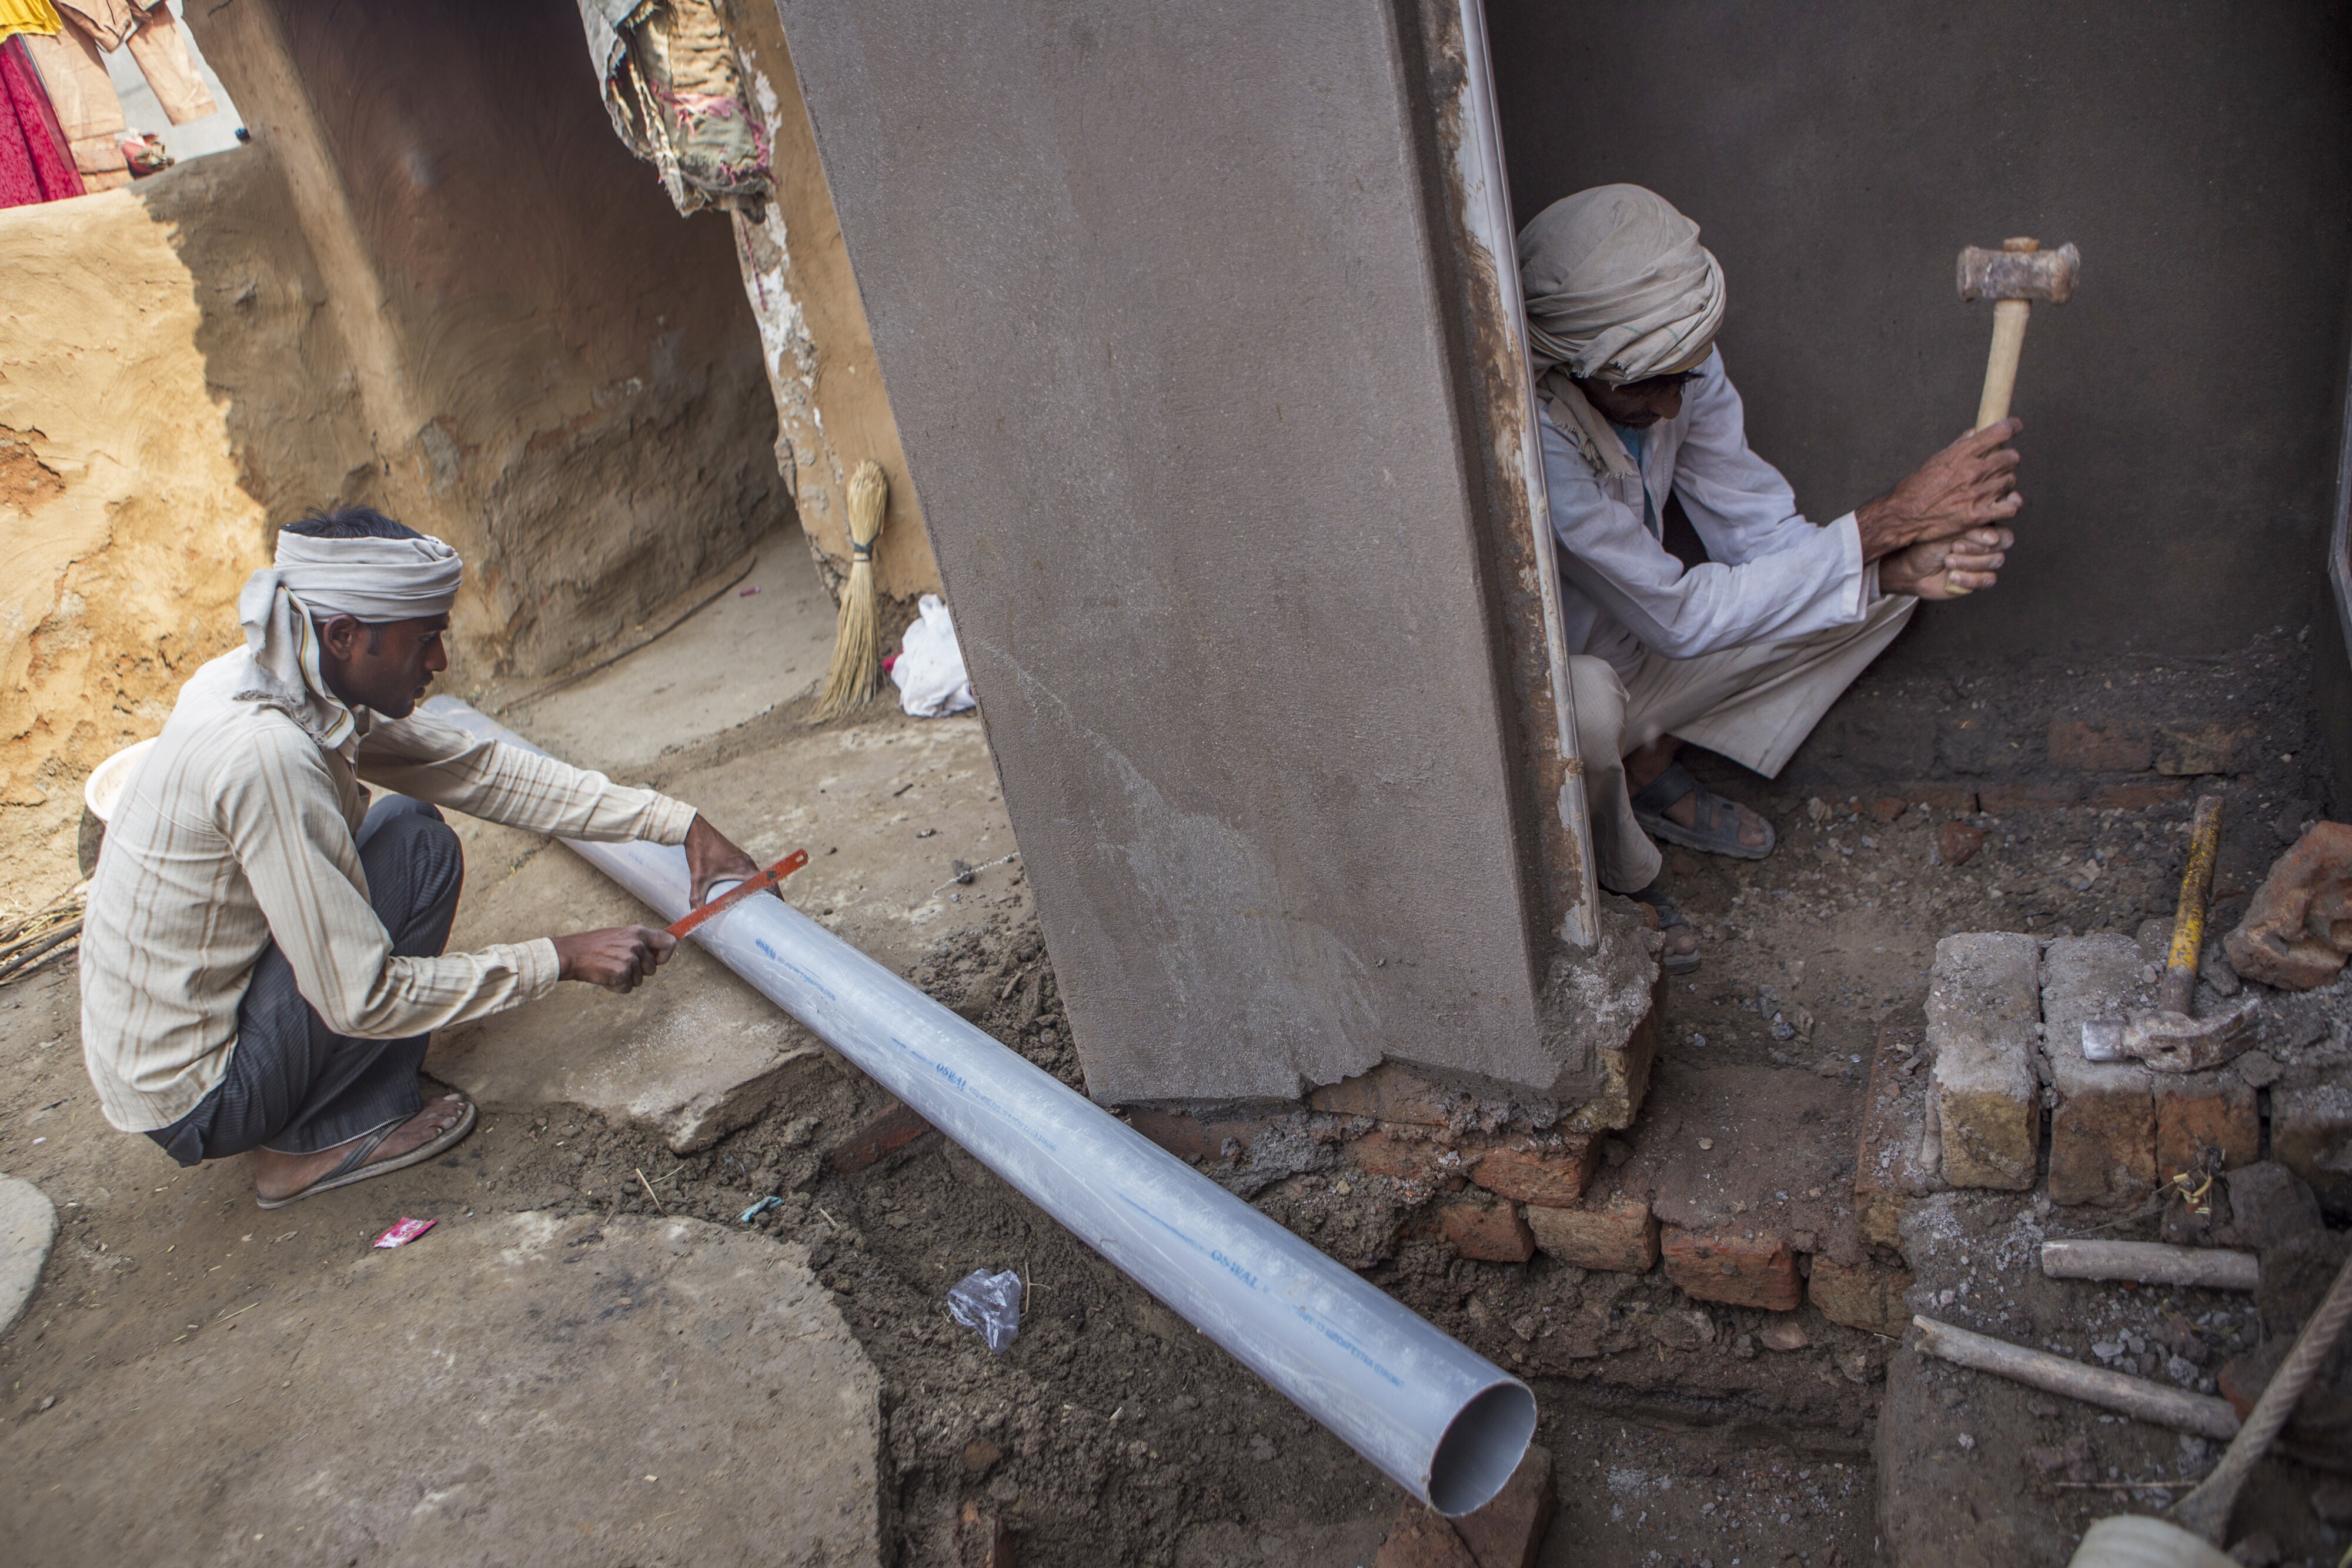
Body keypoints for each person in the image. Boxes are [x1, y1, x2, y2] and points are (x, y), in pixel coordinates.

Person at [78, 507, 767, 1208]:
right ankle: (312, 1143)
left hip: (183, 1041)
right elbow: (359, 996)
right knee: (416, 857)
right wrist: (560, 956)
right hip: (204, 1097)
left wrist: (675, 823)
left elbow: (480, 771)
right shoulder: (269, 753)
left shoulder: (282, 672)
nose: (438, 661)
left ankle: (313, 1098)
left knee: (411, 829)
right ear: (345, 636)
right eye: (424, 639)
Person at [1521, 185, 2021, 972]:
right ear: (1579, 368)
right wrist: (1892, 519)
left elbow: (1764, 535)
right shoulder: (1534, 438)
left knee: (1879, 593)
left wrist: (1898, 559)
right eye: (1644, 384)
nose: (1668, 399)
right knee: (1581, 702)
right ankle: (1612, 879)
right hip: (1587, 689)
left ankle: (1648, 765)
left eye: (1681, 375)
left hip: (1656, 659)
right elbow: (1679, 618)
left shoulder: (1682, 361)